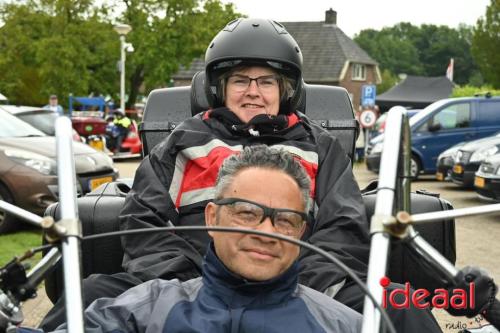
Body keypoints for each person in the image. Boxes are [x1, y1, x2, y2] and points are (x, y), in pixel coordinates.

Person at [40, 18, 441, 333]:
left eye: (266, 81)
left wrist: (300, 284)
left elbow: (342, 225)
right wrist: (187, 286)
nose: (253, 91)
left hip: (297, 280)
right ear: (219, 87)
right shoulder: (182, 141)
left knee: (398, 307)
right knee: (86, 296)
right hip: (189, 281)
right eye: (240, 80)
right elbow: (142, 218)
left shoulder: (321, 145)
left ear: (285, 89)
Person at [44, 145, 362, 333]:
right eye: (247, 214)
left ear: (302, 231)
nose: (266, 233)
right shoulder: (144, 312)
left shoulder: (343, 325)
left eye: (285, 220)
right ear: (212, 218)